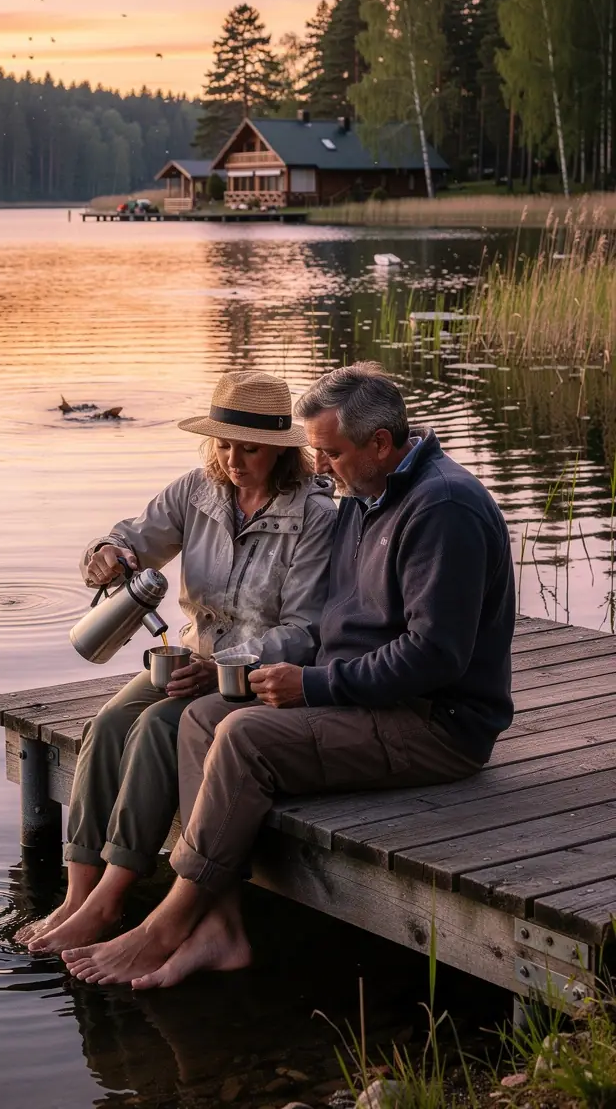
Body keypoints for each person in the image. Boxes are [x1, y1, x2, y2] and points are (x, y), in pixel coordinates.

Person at [60, 361, 516, 988]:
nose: (320, 468)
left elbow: (435, 657)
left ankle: (165, 924)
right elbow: (342, 625)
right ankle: (219, 928)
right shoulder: (367, 495)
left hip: (436, 722)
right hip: (362, 696)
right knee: (200, 719)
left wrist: (311, 685)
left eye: (329, 453)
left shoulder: (442, 510)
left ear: (379, 443)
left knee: (243, 735)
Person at [15, 370, 336, 953]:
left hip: (255, 674)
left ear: (281, 451)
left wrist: (223, 671)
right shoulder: (196, 490)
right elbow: (134, 537)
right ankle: (77, 892)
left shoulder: (315, 515)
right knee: (107, 725)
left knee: (157, 728)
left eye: (250, 448)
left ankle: (112, 899)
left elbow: (306, 632)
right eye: (224, 444)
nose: (233, 460)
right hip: (190, 654)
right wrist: (106, 554)